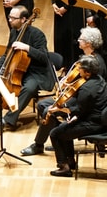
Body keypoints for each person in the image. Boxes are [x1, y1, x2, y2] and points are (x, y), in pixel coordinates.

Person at [20, 30, 107, 159]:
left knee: (48, 111)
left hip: (83, 101)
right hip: (77, 95)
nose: (78, 40)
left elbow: (92, 91)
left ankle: (39, 144)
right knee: (42, 105)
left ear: (88, 43)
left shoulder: (97, 64)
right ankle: (59, 139)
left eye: (81, 39)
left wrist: (70, 89)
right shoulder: (85, 58)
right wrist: (66, 82)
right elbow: (78, 79)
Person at [0, 6, 54, 135]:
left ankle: (8, 120)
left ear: (23, 19)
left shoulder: (37, 34)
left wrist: (27, 48)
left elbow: (44, 57)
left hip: (35, 73)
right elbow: (6, 54)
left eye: (13, 18)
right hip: (17, 69)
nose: (9, 20)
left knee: (29, 88)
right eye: (9, 17)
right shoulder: (14, 32)